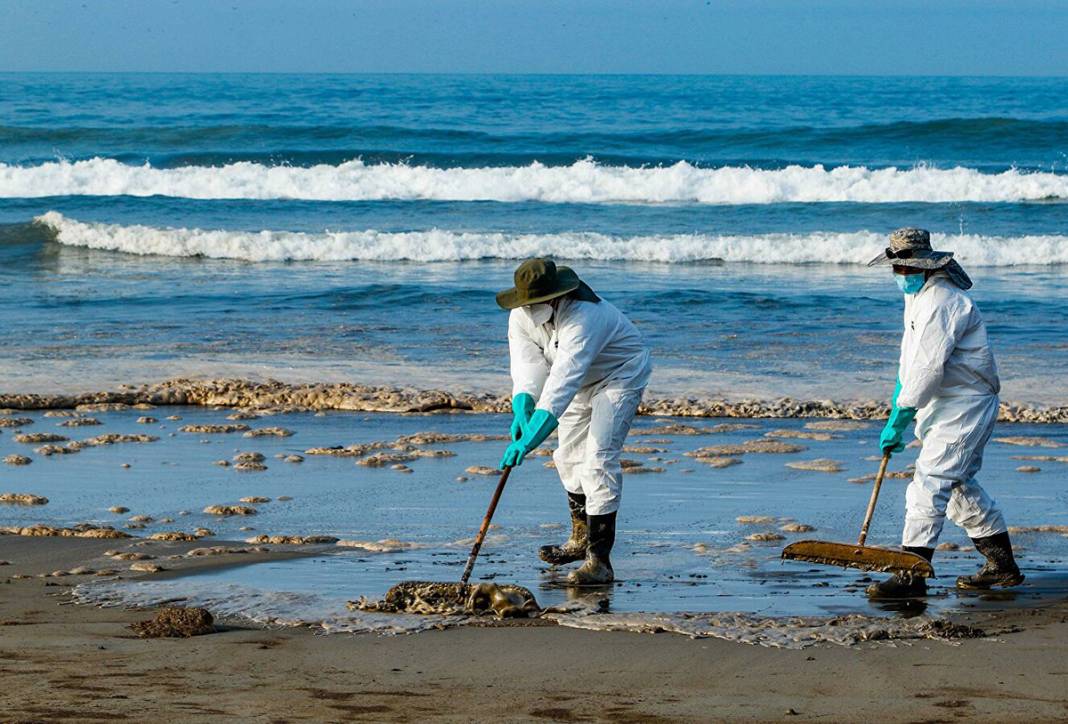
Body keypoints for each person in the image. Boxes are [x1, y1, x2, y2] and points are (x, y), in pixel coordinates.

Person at [866, 228, 1023, 598]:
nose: (899, 275)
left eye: (904, 268)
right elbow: (911, 362)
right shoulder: (919, 297)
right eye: (896, 268)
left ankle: (911, 576)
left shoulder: (942, 301)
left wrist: (900, 419)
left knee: (929, 483)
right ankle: (1001, 566)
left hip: (966, 404)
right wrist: (897, 402)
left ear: (923, 265)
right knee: (957, 487)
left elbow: (927, 369)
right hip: (942, 402)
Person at [496, 258, 652, 585]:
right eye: (524, 303)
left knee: (598, 460)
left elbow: (562, 381)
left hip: (619, 376)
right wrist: (522, 408)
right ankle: (579, 540)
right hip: (580, 385)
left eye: (534, 302)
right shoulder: (519, 315)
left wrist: (528, 442)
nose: (527, 308)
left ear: (555, 296)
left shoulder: (584, 316)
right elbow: (528, 365)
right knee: (567, 458)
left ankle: (599, 562)